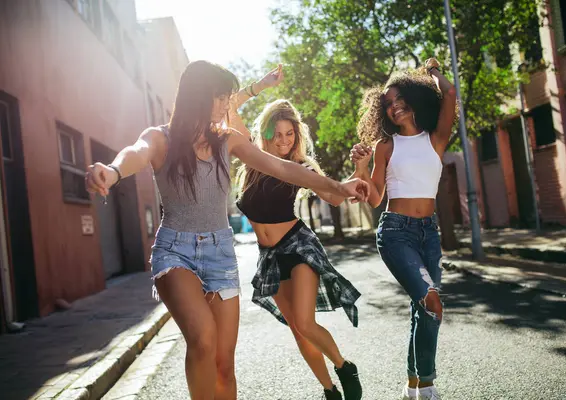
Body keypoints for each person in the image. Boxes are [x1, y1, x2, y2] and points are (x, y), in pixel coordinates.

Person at [85, 60, 369, 400]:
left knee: (224, 365)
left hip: (221, 255)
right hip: (175, 251)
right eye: (220, 97)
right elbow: (137, 152)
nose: (225, 104)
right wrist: (113, 171)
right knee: (203, 337)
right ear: (198, 96)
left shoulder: (227, 140)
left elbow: (284, 168)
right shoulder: (161, 138)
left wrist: (338, 186)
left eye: (227, 97)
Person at [234, 99, 362, 400]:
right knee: (298, 332)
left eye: (289, 134)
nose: (284, 141)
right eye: (277, 134)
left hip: (298, 246)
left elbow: (334, 198)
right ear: (265, 133)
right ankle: (330, 391)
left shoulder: (300, 166)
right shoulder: (251, 159)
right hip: (269, 256)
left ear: (297, 135)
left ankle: (344, 368)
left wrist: (356, 171)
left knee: (306, 322)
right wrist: (259, 89)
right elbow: (229, 110)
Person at [349, 58, 456, 400]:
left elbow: (450, 92)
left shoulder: (435, 138)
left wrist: (433, 71)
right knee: (432, 303)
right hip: (396, 233)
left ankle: (412, 385)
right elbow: (375, 197)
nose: (394, 107)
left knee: (421, 309)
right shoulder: (386, 146)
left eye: (399, 100)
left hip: (430, 231)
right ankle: (427, 385)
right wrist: (361, 168)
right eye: (388, 104)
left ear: (414, 98)